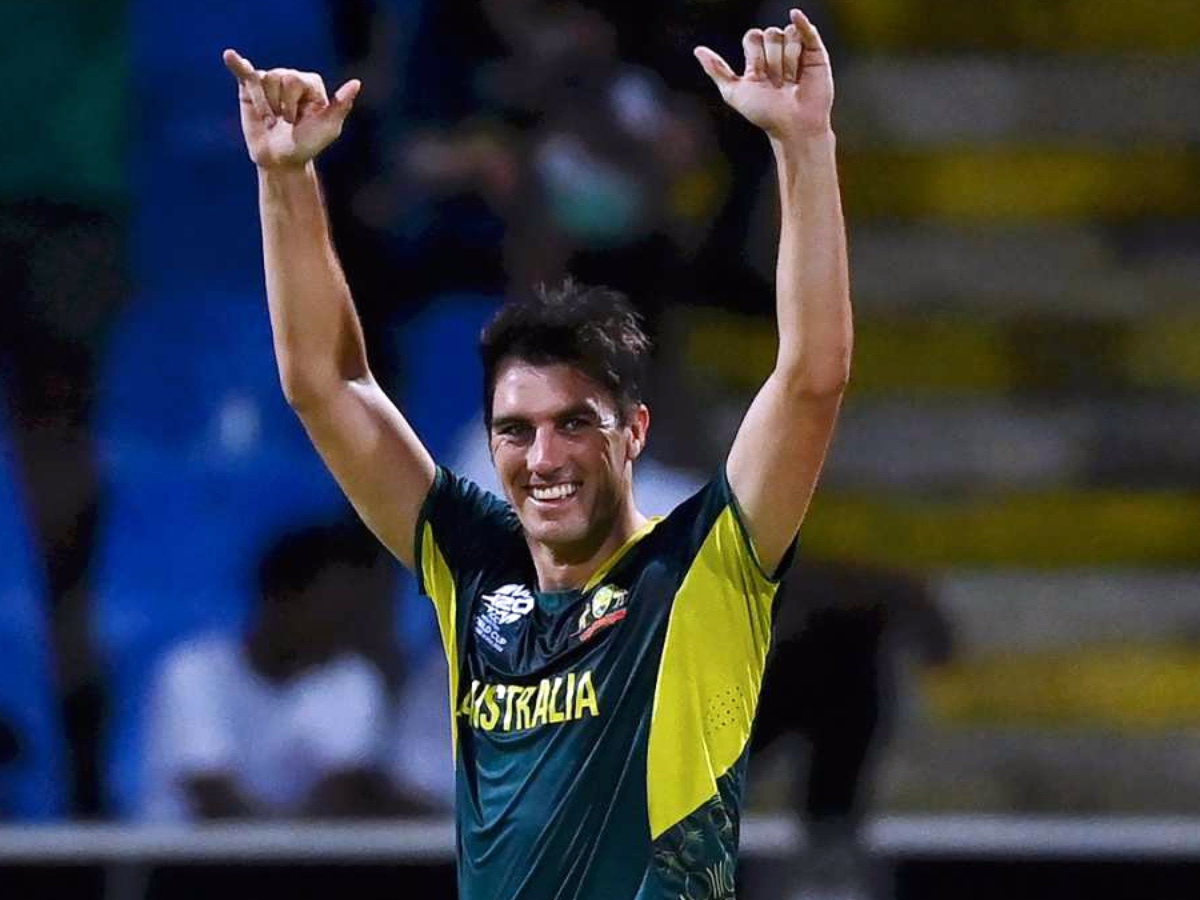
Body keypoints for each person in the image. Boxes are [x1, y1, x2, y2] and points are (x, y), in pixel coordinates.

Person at [223, 6, 850, 897]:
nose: (543, 455)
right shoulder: (475, 568)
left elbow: (811, 379)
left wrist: (804, 145)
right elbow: (327, 385)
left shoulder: (699, 570)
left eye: (574, 424)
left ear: (634, 432)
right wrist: (285, 176)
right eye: (515, 430)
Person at [139, 523, 392, 821]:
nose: (340, 628)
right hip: (181, 849)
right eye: (329, 611)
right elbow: (212, 798)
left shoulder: (354, 678)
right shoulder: (191, 670)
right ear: (280, 600)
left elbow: (342, 792)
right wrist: (287, 837)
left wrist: (287, 840)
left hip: (307, 850)